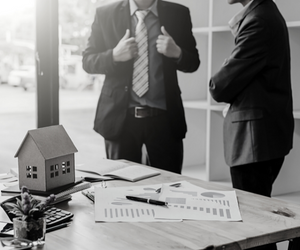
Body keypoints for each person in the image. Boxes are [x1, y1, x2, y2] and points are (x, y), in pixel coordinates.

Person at [82, 0, 200, 174]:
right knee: (120, 190)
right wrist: (113, 55)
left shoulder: (178, 13)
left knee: (169, 187)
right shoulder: (105, 14)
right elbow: (87, 61)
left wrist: (177, 53)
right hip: (120, 120)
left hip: (165, 121)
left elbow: (193, 62)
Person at [209, 0, 294, 199]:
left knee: (251, 218)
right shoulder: (263, 13)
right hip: (259, 139)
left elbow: (219, 87)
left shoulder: (259, 20)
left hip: (254, 143)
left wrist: (226, 67)